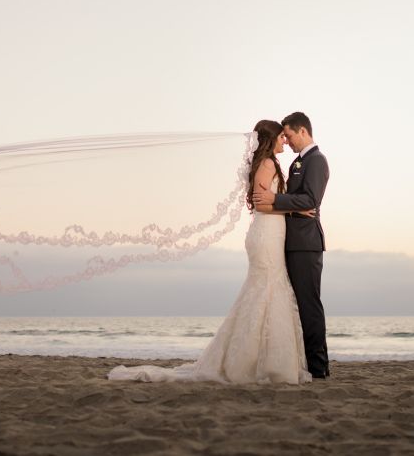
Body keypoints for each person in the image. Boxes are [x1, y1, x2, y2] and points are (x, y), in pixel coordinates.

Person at [107, 119, 314, 384]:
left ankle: (263, 358)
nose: (284, 140)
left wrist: (287, 206)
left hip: (271, 234)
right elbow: (261, 205)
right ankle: (258, 363)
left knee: (266, 290)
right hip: (266, 235)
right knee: (266, 289)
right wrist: (296, 209)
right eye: (281, 137)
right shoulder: (268, 164)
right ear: (270, 139)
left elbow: (268, 200)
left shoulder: (268, 164)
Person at [253, 111, 330, 379]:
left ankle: (319, 368)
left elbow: (309, 199)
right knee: (294, 305)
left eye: (289, 135)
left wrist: (277, 200)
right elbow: (299, 201)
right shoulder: (297, 162)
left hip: (306, 243)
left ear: (303, 132)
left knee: (309, 304)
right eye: (282, 136)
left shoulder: (317, 161)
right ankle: (304, 362)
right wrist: (287, 206)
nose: (286, 140)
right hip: (290, 241)